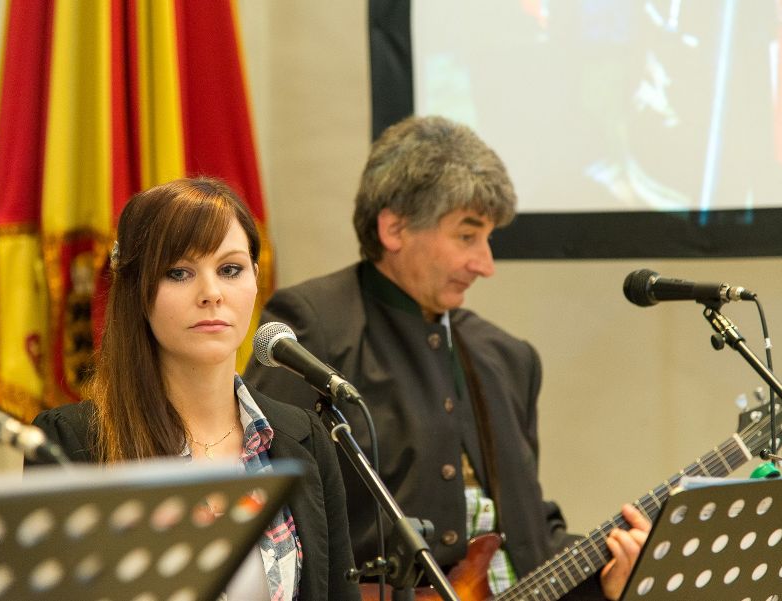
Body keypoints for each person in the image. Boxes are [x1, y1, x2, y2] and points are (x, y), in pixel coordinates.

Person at [245, 115, 649, 600]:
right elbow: (273, 513)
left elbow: (529, 540)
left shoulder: (508, 358)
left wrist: (609, 582)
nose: (486, 264)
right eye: (466, 236)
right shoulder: (316, 326)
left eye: (488, 238)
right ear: (394, 228)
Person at [28, 177, 360, 601]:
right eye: (179, 272)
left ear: (256, 280)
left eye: (230, 270)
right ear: (136, 291)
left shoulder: (305, 437)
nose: (211, 294)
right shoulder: (70, 443)